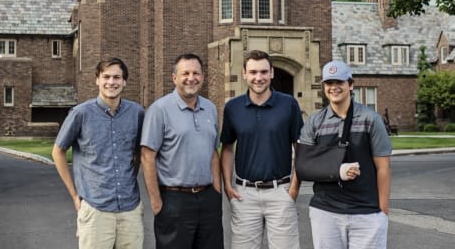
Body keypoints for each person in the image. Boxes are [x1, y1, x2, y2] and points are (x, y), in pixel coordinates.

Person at [52, 57, 144, 249]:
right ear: (97, 80)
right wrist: (75, 196)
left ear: (125, 81)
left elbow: (138, 153)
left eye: (117, 77)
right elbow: (58, 151)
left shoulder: (136, 113)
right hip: (95, 209)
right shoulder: (81, 113)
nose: (112, 82)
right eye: (106, 77)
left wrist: (131, 177)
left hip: (130, 209)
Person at [299, 60, 392, 249]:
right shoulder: (314, 122)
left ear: (350, 84)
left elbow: (383, 168)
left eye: (339, 82)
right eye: (329, 83)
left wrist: (382, 210)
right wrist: (338, 170)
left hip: (366, 211)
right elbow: (304, 166)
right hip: (326, 211)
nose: (334, 88)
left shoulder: (370, 119)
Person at [220, 50, 304, 249]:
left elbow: (300, 147)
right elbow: (227, 148)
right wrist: (228, 186)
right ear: (244, 74)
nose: (259, 78)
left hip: (280, 192)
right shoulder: (233, 107)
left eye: (264, 72)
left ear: (272, 73)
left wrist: (294, 188)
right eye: (254, 72)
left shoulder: (289, 104)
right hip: (244, 194)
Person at [141, 53, 223, 249]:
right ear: (174, 77)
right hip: (174, 199)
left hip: (207, 198)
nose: (191, 78)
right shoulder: (159, 110)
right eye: (185, 73)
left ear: (202, 77)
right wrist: (156, 202)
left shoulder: (210, 109)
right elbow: (147, 156)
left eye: (196, 73)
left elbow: (213, 152)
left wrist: (217, 193)